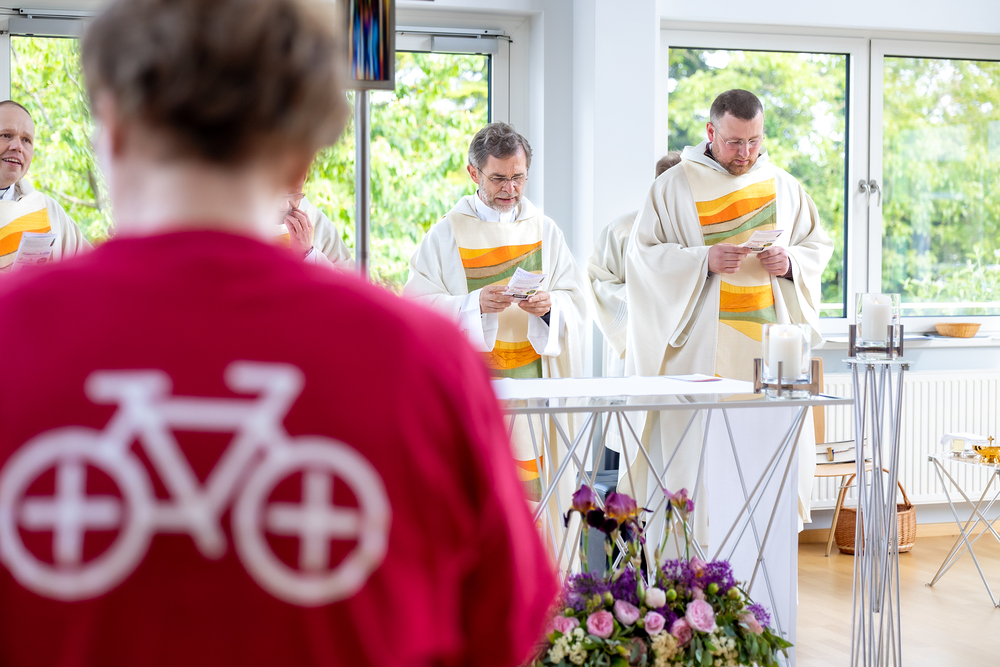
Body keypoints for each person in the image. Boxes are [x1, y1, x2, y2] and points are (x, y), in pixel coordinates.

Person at [0, 2, 555, 666]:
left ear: (112, 129)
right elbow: (501, 627)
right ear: (303, 152)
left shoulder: (12, 334)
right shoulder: (424, 362)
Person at [625, 89, 833, 529]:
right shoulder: (673, 185)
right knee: (699, 471)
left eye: (754, 141)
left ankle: (765, 562)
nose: (745, 153)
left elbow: (816, 246)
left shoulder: (784, 185)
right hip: (699, 354)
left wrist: (790, 263)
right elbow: (642, 259)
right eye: (735, 142)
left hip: (770, 353)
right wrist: (703, 260)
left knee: (766, 465)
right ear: (710, 131)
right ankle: (696, 562)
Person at [404, 122, 588, 504]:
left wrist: (550, 307)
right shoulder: (445, 234)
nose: (511, 189)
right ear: (474, 173)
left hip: (534, 391)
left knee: (534, 499)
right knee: (479, 495)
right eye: (499, 179)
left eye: (518, 178)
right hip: (472, 392)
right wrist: (472, 306)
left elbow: (576, 300)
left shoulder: (545, 231)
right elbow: (415, 308)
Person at [587, 152, 681, 379]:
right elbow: (599, 282)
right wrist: (646, 302)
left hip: (683, 341)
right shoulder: (622, 230)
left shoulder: (696, 234)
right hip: (635, 339)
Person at [0, 100, 90, 271]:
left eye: (26, 140)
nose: (18, 147)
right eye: (6, 135)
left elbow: (90, 269)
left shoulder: (47, 210)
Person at [280, 177, 354, 270]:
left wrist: (308, 254)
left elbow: (346, 277)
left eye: (293, 193)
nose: (284, 206)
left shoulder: (317, 222)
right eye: (275, 194)